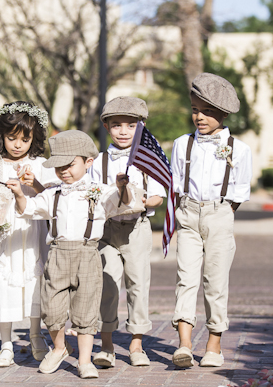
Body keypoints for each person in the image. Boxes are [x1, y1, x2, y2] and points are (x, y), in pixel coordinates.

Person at [6, 130, 135, 379]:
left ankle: (85, 361)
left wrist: (123, 187)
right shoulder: (53, 193)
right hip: (57, 255)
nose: (64, 171)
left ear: (88, 162)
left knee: (86, 308)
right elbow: (28, 209)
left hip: (87, 253)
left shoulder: (101, 190)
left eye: (70, 164)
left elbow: (124, 202)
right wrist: (20, 194)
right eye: (58, 166)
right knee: (51, 308)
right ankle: (59, 347)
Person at [170, 73, 252, 368]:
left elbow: (240, 189)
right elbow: (177, 182)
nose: (199, 117)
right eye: (195, 110)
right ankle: (184, 344)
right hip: (189, 213)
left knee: (215, 281)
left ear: (223, 113)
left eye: (206, 111)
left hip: (220, 214)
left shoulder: (239, 149)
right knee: (186, 278)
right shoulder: (182, 144)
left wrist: (224, 212)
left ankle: (214, 345)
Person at [0, 101, 58, 367]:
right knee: (2, 286)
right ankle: (6, 344)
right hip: (1, 237)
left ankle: (35, 335)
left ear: (34, 138)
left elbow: (53, 200)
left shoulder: (41, 165)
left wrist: (36, 184)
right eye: (11, 138)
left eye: (24, 139)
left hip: (31, 232)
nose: (17, 144)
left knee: (33, 284)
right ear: (1, 136)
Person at [89, 97, 166, 367]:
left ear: (141, 127)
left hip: (137, 228)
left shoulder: (147, 160)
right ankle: (107, 344)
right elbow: (91, 194)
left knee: (138, 283)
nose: (123, 131)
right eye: (117, 125)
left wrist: (142, 200)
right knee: (107, 284)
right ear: (107, 127)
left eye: (130, 125)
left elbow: (158, 195)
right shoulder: (98, 162)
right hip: (107, 230)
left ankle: (136, 343)